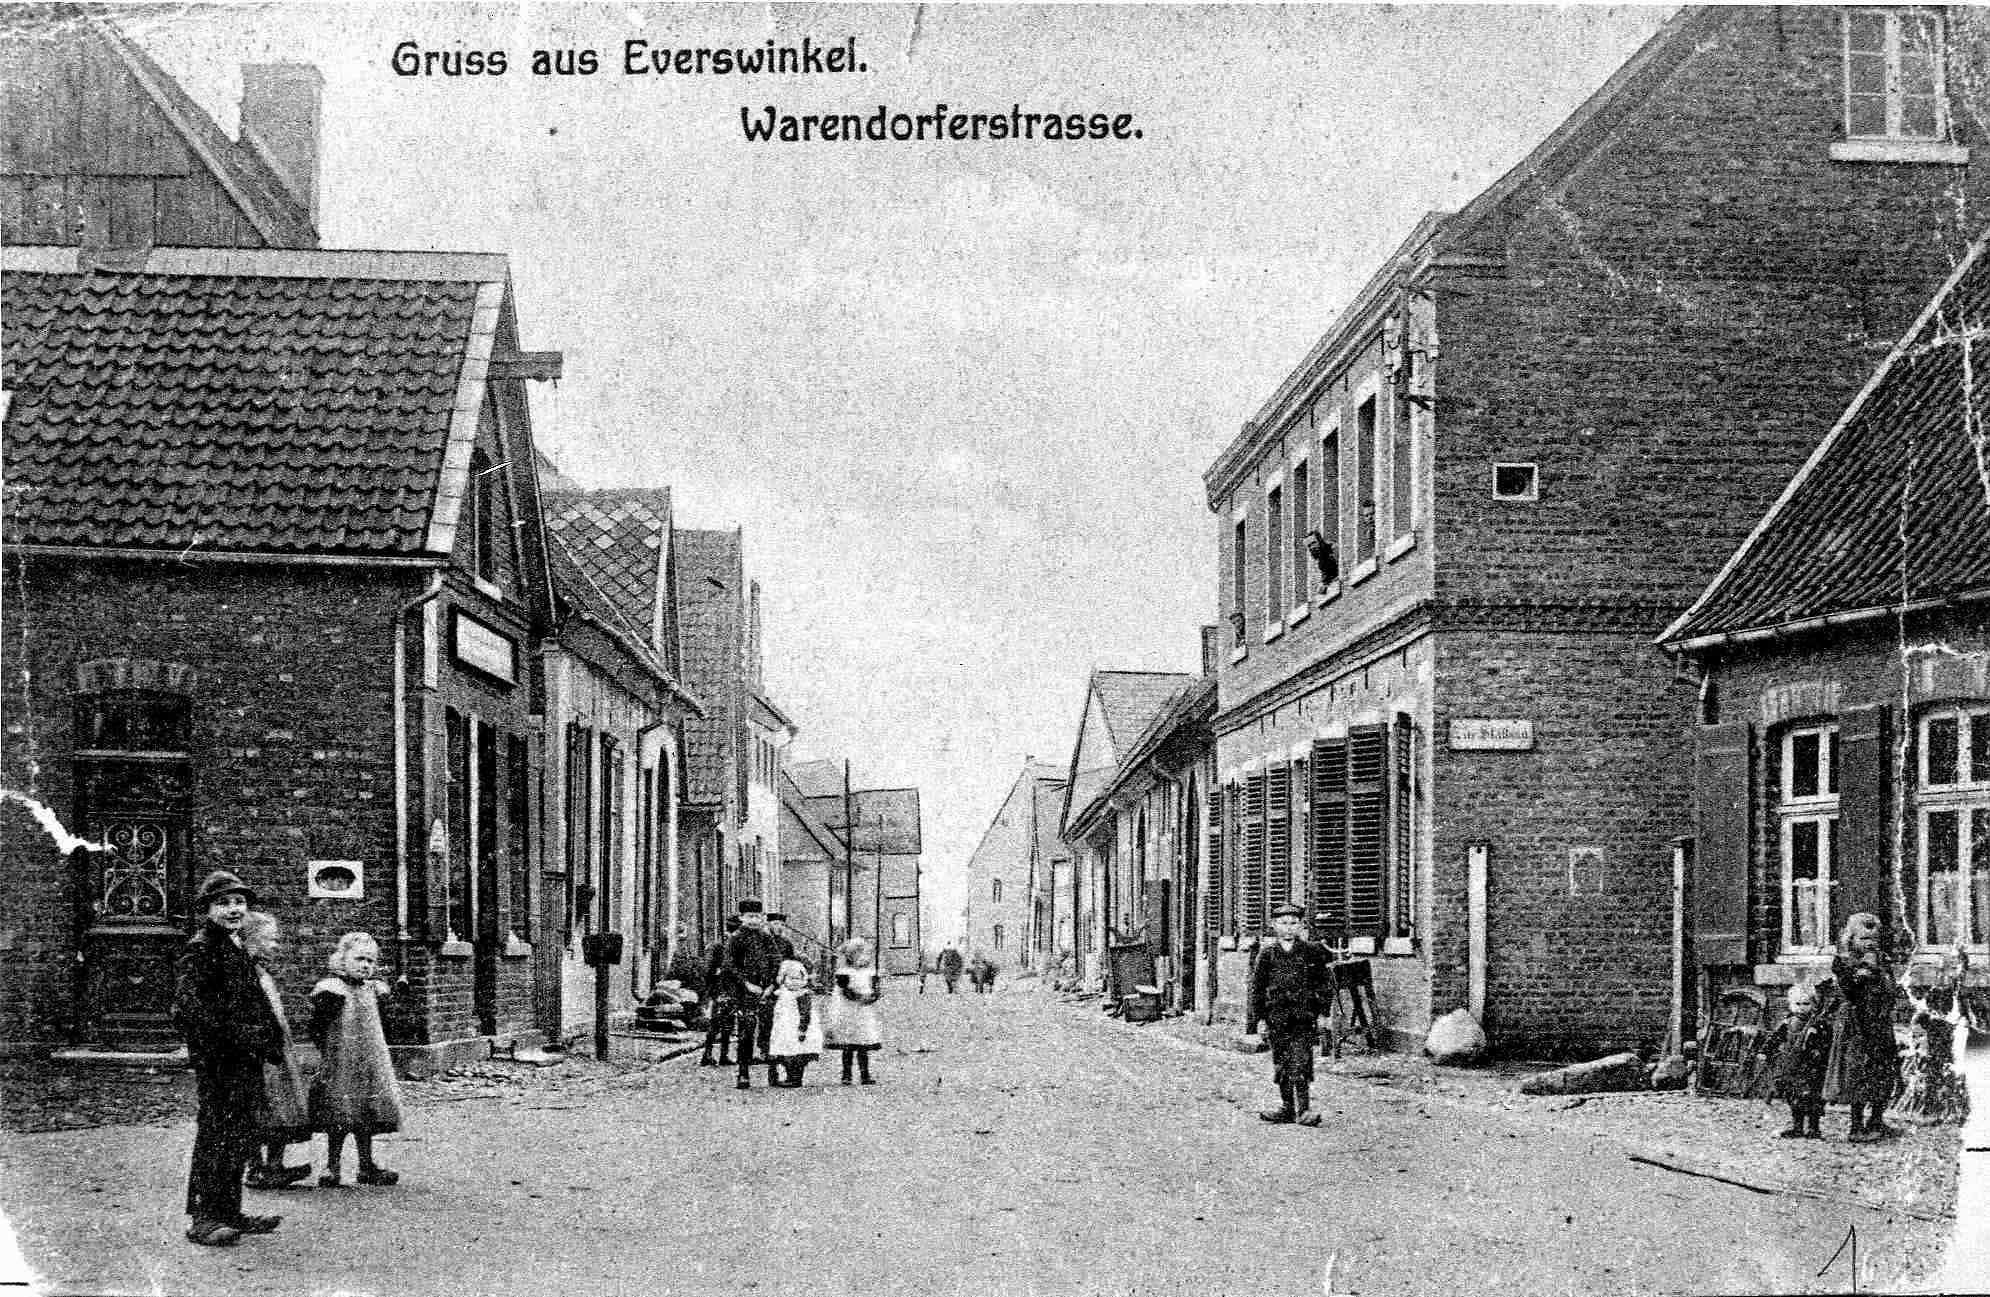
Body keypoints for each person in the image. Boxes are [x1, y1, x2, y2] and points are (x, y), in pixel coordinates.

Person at [172, 870, 286, 1247]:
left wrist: (270, 1038)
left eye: (239, 902)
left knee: (239, 1134)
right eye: (223, 903)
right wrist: (241, 1038)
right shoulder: (202, 948)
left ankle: (230, 1210)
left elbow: (253, 999)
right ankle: (203, 1218)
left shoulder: (235, 945)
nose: (234, 909)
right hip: (220, 1060)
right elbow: (192, 1009)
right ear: (207, 909)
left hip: (243, 1058)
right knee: (216, 1135)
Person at [309, 932, 405, 1185]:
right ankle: (332, 1165)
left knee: (367, 1111)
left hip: (370, 1060)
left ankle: (366, 1164)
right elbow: (317, 1027)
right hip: (341, 1060)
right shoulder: (332, 990)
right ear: (343, 959)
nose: (366, 965)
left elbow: (384, 1024)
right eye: (359, 959)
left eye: (370, 961)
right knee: (339, 1112)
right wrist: (328, 1052)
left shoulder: (373, 990)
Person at [1246, 901, 1336, 1127]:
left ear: (1301, 926)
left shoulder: (1311, 952)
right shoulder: (1267, 955)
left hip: (1303, 1018)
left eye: (1293, 923)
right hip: (1276, 1018)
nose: (1288, 928)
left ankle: (1304, 1110)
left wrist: (1323, 1013)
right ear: (1274, 926)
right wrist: (1255, 1023)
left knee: (1301, 1062)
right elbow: (1256, 989)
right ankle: (1287, 1107)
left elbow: (1324, 984)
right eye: (1283, 923)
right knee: (1282, 1063)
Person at [240, 912, 313, 1187]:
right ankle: (257, 1167)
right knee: (261, 1107)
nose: (276, 946)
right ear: (250, 941)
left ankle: (274, 1164)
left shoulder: (263, 973)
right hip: (260, 1053)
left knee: (281, 1105)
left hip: (278, 1051)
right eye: (270, 940)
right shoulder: (245, 975)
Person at [1823, 912, 1903, 1143]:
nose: (1869, 943)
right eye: (1863, 939)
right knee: (1858, 1074)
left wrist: (1881, 976)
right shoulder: (1844, 962)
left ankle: (1877, 1120)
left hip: (1880, 1024)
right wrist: (1863, 973)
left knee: (1884, 1072)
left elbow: (1891, 991)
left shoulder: (1883, 962)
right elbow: (1848, 990)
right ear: (1851, 940)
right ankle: (1856, 1125)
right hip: (1857, 1026)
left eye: (1874, 940)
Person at [723, 900, 787, 1090]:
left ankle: (773, 1073)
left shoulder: (766, 938)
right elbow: (729, 966)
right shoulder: (736, 938)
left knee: (770, 1031)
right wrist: (746, 984)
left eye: (757, 917)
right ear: (741, 917)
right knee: (746, 1032)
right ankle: (743, 1073)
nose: (754, 920)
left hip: (767, 991)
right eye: (750, 917)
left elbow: (777, 962)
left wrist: (771, 985)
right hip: (745, 993)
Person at [1765, 979, 1835, 1139]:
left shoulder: (1819, 1024)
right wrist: (1766, 1051)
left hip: (1812, 1068)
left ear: (1813, 1005)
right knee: (1794, 1096)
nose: (1802, 1008)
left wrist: (1818, 1050)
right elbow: (1775, 1038)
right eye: (1798, 1004)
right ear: (1791, 1004)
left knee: (1813, 1098)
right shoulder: (1787, 1023)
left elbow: (1826, 1043)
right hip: (1792, 1066)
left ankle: (1814, 1128)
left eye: (1806, 1004)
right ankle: (1797, 1127)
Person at [825, 937, 884, 1085]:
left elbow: (876, 989)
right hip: (849, 1011)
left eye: (866, 955)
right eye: (860, 955)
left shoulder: (870, 973)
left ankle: (865, 1074)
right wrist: (859, 998)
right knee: (849, 1045)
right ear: (851, 956)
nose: (864, 958)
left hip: (864, 1012)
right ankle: (846, 1074)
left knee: (863, 1044)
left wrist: (873, 996)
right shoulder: (845, 972)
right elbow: (845, 991)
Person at [764, 958, 824, 1087]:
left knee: (798, 1054)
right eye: (791, 978)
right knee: (785, 1053)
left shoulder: (802, 994)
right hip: (784, 1028)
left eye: (798, 978)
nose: (795, 982)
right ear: (783, 979)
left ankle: (795, 1078)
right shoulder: (782, 992)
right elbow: (771, 999)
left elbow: (805, 1013)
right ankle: (788, 1075)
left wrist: (802, 1029)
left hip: (797, 1028)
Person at [699, 917, 741, 1067]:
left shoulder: (736, 947)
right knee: (716, 1022)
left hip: (732, 989)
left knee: (728, 1023)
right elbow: (706, 968)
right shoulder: (716, 947)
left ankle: (724, 1055)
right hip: (719, 990)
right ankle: (707, 1055)